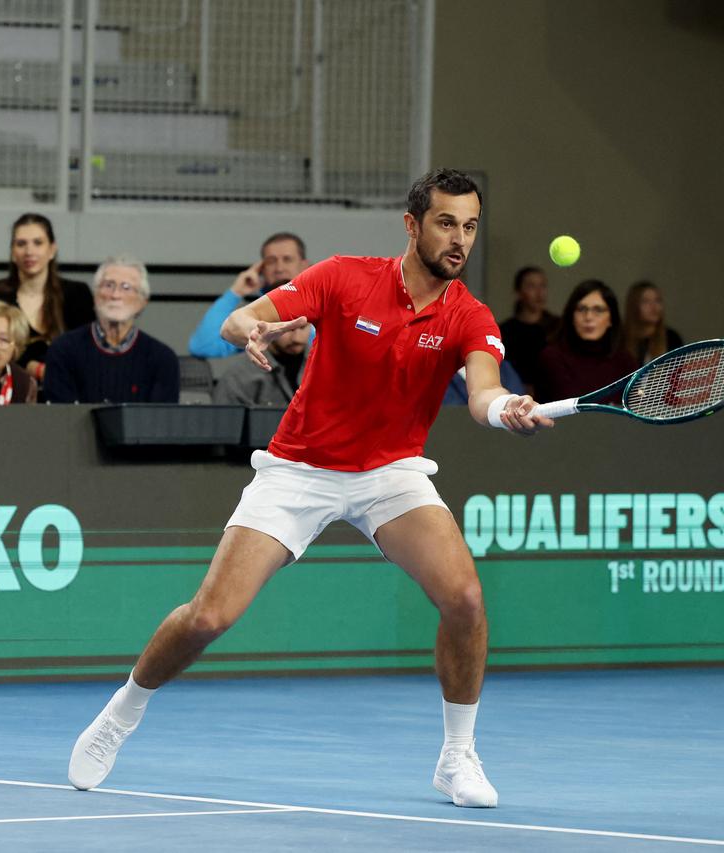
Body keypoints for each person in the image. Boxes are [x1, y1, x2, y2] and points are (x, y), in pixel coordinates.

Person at [68, 169, 554, 811]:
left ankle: (456, 756)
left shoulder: (468, 313)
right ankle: (119, 717)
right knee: (211, 615)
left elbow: (484, 392)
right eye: (445, 222)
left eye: (469, 225)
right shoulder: (344, 276)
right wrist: (253, 329)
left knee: (464, 596)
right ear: (412, 226)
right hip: (300, 469)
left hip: (391, 473)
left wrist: (506, 410)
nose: (459, 238)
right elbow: (245, 318)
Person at [42, 255, 179, 404]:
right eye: (108, 285)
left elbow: (162, 423)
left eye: (126, 287)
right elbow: (60, 418)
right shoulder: (63, 350)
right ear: (95, 296)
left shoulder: (162, 359)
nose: (115, 295)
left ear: (142, 302)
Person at [0, 213, 94, 387]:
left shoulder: (77, 294)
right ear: (13, 253)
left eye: (38, 243)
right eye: (21, 244)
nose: (29, 252)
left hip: (67, 393)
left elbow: (86, 350)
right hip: (9, 392)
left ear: (52, 250)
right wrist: (33, 368)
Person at [187, 232, 310, 359]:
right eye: (271, 261)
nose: (279, 268)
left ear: (304, 266)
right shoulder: (255, 318)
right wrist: (235, 292)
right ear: (262, 269)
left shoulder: (325, 304)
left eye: (287, 259)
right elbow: (203, 347)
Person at [536, 280, 639, 402]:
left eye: (598, 310)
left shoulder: (625, 361)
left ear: (611, 319)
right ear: (571, 316)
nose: (589, 317)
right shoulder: (551, 357)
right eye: (581, 309)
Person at [210, 323, 310, 407]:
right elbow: (222, 425)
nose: (297, 338)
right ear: (267, 326)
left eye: (303, 327)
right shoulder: (239, 375)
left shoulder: (322, 366)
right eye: (289, 329)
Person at [497, 266, 558, 395]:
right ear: (518, 292)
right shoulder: (506, 331)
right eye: (531, 286)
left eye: (543, 286)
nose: (539, 293)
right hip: (516, 395)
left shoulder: (558, 327)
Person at [621, 281, 683, 364]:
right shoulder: (621, 340)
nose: (654, 307)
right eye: (645, 301)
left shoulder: (672, 338)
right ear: (634, 306)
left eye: (657, 300)